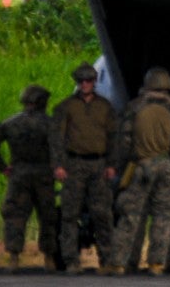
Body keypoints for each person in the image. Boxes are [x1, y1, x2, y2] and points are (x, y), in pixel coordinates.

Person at [102, 67, 170, 276]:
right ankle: (156, 264)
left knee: (130, 215)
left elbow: (124, 143)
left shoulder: (134, 110)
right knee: (163, 217)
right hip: (165, 169)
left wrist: (122, 169)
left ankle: (119, 263)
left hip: (140, 167)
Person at [51, 62, 117, 273]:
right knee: (70, 214)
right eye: (82, 81)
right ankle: (71, 260)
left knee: (102, 214)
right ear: (77, 83)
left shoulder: (105, 108)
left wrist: (112, 165)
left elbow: (113, 138)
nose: (85, 84)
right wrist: (59, 165)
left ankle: (107, 260)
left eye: (89, 81)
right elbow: (57, 139)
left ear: (94, 82)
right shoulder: (66, 107)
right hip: (75, 164)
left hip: (98, 164)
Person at [0, 83, 59, 271]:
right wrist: (57, 168)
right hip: (44, 176)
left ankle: (13, 257)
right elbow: (59, 149)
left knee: (15, 216)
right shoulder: (51, 124)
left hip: (19, 175)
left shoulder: (11, 123)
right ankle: (49, 257)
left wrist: (1, 167)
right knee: (48, 216)